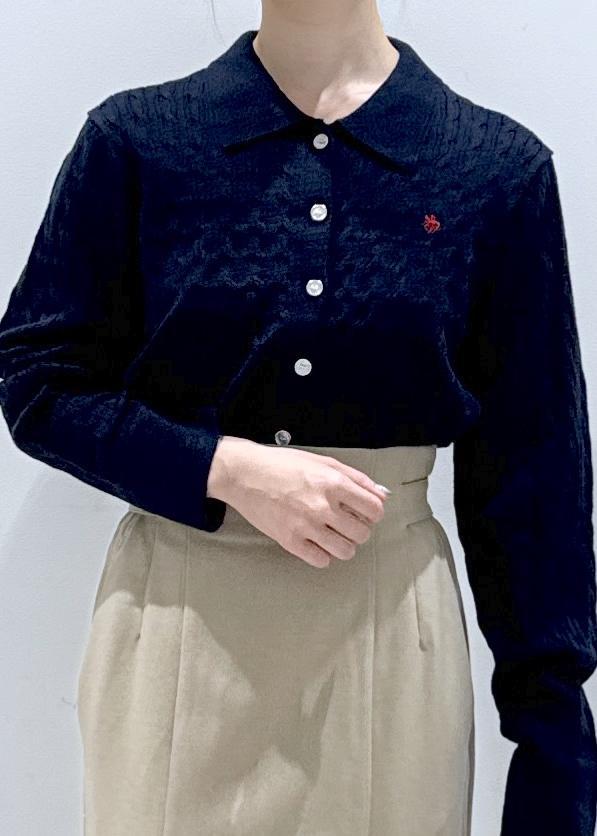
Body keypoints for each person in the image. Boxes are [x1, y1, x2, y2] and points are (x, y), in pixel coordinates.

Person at [0, 2, 595, 834]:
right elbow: (37, 379)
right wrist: (224, 468)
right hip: (177, 625)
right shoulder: (138, 141)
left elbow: (534, 480)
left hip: (386, 636)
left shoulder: (492, 167)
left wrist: (554, 764)